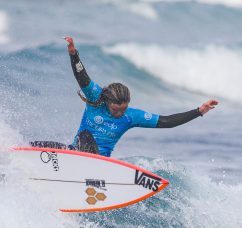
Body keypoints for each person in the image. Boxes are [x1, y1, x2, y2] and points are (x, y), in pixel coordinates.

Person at [58, 36, 219, 157]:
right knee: (43, 146)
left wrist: (199, 111)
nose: (120, 113)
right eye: (116, 110)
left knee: (85, 138)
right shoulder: (95, 97)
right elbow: (82, 77)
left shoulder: (131, 116)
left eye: (124, 109)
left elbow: (166, 122)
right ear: (107, 101)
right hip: (77, 154)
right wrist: (73, 54)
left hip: (100, 163)